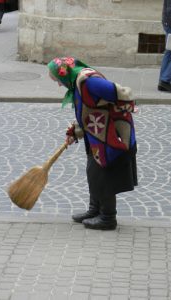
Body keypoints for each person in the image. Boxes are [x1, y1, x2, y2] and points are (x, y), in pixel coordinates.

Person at [48, 57, 138, 230]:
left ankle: (108, 218)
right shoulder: (77, 84)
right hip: (98, 136)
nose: (59, 85)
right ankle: (94, 210)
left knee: (104, 175)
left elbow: (123, 93)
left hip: (112, 137)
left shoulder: (89, 82)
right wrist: (77, 132)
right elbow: (91, 112)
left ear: (63, 74)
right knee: (94, 172)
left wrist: (123, 111)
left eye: (57, 81)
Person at [158, 0, 171, 92]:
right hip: (170, 23)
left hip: (167, 22)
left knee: (169, 51)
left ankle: (163, 81)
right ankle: (164, 80)